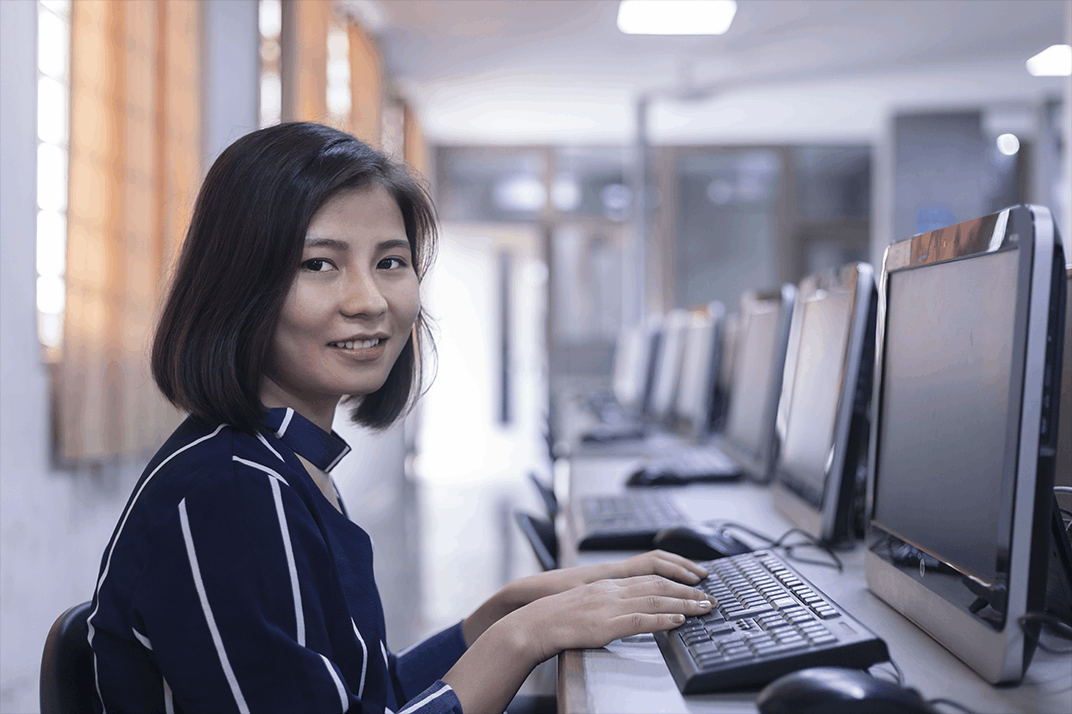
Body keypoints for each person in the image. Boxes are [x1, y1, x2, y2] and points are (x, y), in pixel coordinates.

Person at [87, 122, 715, 714]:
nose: (369, 301)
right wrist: (522, 637)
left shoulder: (281, 464)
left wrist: (506, 609)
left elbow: (367, 694)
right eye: (318, 265)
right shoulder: (230, 491)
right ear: (237, 287)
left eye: (390, 262)